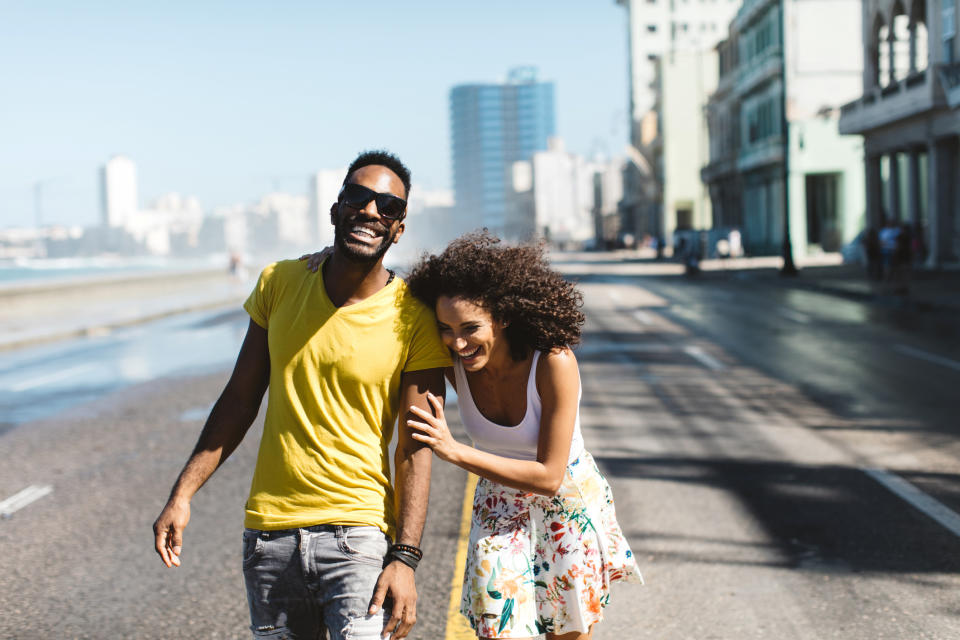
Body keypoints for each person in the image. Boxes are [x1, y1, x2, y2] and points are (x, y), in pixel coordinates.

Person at [152, 150, 450, 640]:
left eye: (388, 207)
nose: (371, 211)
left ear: (398, 229)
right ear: (336, 208)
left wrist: (406, 558)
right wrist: (181, 494)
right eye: (358, 197)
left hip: (358, 537)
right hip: (269, 537)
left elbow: (415, 446)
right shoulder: (280, 282)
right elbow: (239, 399)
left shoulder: (414, 314)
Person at [403, 232, 642, 639]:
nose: (457, 342)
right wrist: (329, 260)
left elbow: (549, 477)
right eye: (445, 328)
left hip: (566, 505)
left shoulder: (552, 361)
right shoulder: (453, 361)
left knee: (566, 632)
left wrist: (454, 451)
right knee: (497, 629)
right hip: (498, 504)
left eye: (470, 328)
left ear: (503, 316)